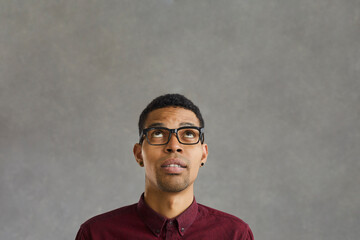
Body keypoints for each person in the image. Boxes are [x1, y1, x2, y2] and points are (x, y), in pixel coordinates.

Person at [75, 93, 254, 240]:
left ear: (203, 154)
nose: (174, 145)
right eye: (158, 133)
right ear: (139, 154)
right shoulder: (96, 234)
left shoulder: (235, 234)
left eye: (189, 134)